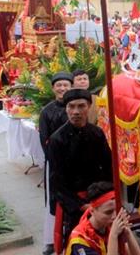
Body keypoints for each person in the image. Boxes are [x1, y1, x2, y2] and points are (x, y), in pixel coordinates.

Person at [48, 89, 113, 254]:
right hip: (75, 203)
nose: (76, 112)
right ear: (66, 109)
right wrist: (80, 206)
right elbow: (57, 182)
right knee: (78, 244)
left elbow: (108, 168)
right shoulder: (57, 140)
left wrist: (106, 199)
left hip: (100, 200)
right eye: (71, 107)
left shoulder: (97, 133)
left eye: (81, 106)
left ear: (89, 107)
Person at [39, 71, 72, 255]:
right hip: (55, 164)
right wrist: (56, 160)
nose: (62, 88)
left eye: (65, 85)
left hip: (76, 162)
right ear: (53, 88)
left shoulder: (76, 107)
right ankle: (51, 240)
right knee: (53, 201)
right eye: (58, 85)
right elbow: (43, 138)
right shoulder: (46, 111)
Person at [66, 181, 140, 255]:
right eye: (108, 212)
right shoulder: (80, 240)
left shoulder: (110, 225)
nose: (115, 216)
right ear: (92, 211)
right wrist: (113, 235)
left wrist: (128, 233)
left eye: (117, 210)